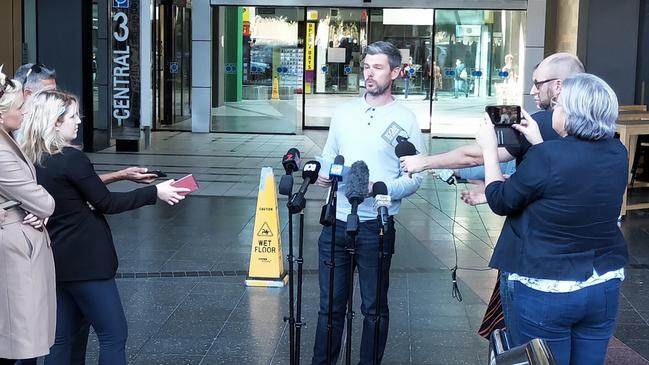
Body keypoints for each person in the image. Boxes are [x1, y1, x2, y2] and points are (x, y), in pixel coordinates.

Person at [19, 90, 188, 365]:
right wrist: (155, 193)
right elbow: (105, 202)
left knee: (60, 340)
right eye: (73, 116)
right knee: (113, 335)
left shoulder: (30, 159)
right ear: (54, 122)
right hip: (87, 263)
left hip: (54, 260)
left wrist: (125, 177)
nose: (79, 121)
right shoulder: (71, 159)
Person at [476, 73, 628, 365]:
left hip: (546, 290)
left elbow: (499, 199)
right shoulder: (617, 152)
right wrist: (538, 141)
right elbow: (570, 177)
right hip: (602, 287)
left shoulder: (547, 157)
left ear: (571, 113)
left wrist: (488, 150)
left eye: (558, 106)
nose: (554, 111)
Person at [311, 41, 423, 365]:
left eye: (377, 67)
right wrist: (322, 172)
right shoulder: (344, 112)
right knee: (329, 308)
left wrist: (380, 188)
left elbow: (414, 178)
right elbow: (329, 156)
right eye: (366, 66)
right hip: (336, 222)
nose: (369, 73)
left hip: (376, 227)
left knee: (373, 309)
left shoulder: (406, 119)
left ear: (396, 72)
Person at [0, 69, 56, 364]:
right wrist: (33, 205)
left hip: (16, 238)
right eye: (19, 108)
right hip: (13, 247)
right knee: (17, 333)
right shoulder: (2, 152)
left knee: (17, 332)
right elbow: (44, 202)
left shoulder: (7, 143)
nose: (24, 112)